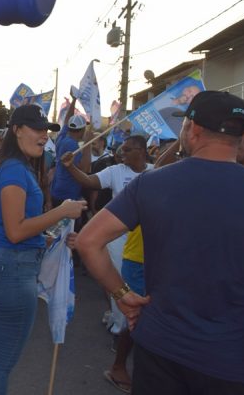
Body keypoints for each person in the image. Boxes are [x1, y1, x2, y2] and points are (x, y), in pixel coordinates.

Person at [76, 91, 244, 394]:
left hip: (162, 350)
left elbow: (88, 241)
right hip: (239, 361)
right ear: (242, 137)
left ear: (192, 129)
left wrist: (123, 295)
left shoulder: (152, 184)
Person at [0, 105, 85, 394]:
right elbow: (15, 231)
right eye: (37, 129)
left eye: (46, 131)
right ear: (17, 130)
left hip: (7, 266)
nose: (43, 136)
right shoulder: (14, 169)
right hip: (12, 270)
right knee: (0, 360)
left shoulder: (16, 166)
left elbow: (15, 228)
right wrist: (63, 211)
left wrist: (50, 239)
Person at [61, 135, 153, 391]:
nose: (121, 153)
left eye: (127, 149)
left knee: (133, 289)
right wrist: (70, 167)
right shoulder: (115, 171)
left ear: (142, 151)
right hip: (115, 238)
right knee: (118, 283)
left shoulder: (155, 173)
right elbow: (90, 181)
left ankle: (123, 328)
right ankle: (120, 330)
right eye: (121, 149)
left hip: (144, 243)